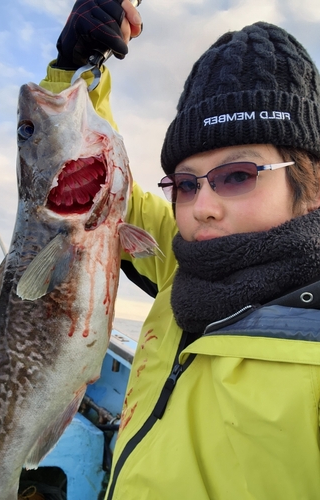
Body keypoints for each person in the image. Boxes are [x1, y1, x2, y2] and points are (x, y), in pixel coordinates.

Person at [40, 1, 320, 498]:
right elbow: (93, 176)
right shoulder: (184, 264)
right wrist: (78, 67)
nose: (201, 208)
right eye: (186, 184)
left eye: (238, 175)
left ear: (310, 184)